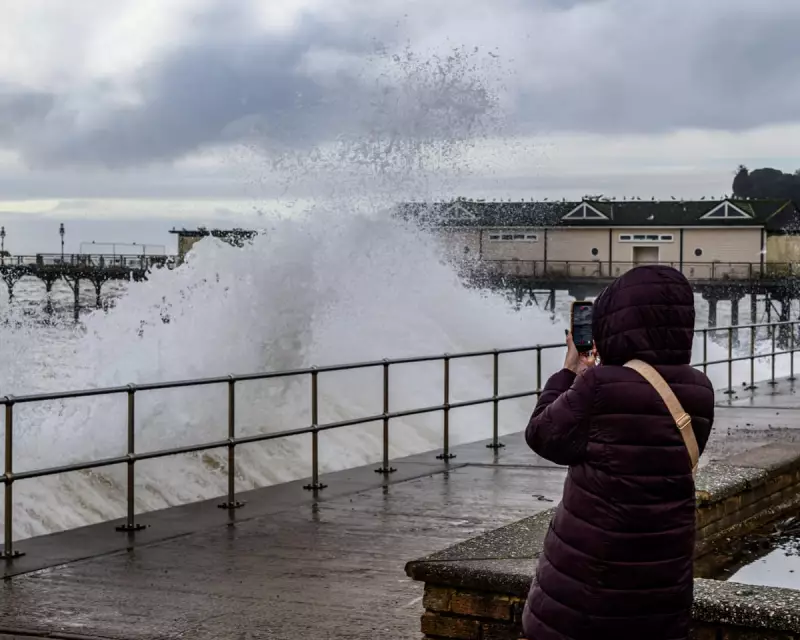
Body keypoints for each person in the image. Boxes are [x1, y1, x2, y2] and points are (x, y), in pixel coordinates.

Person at [521, 264, 715, 640]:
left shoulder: (600, 385)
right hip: (661, 578)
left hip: (592, 581)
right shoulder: (700, 390)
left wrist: (570, 372)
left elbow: (542, 436)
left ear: (615, 319)